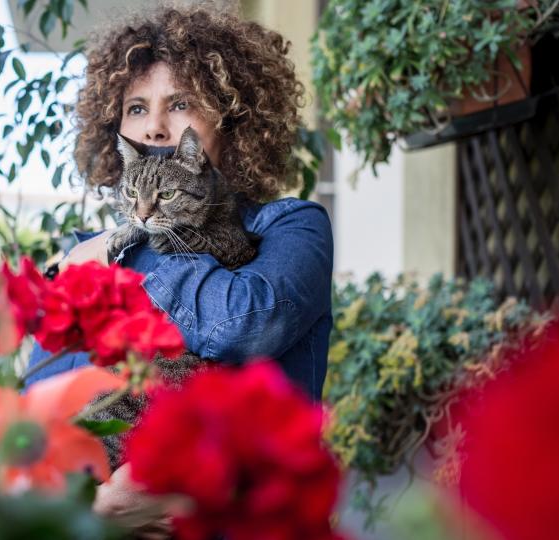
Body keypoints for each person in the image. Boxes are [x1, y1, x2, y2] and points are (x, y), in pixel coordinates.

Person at [25, 3, 333, 534]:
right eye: (136, 109)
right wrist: (95, 510)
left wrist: (132, 245)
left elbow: (246, 323)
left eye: (181, 103)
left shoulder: (289, 227)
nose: (157, 128)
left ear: (231, 117)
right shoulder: (82, 249)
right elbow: (37, 411)